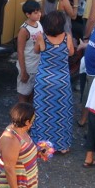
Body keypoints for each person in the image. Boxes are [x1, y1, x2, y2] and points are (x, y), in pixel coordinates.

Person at [31, 11, 75, 154]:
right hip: (62, 81)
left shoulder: (41, 37)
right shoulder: (67, 37)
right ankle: (62, 146)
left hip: (44, 81)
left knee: (42, 113)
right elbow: (71, 53)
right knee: (62, 113)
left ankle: (43, 146)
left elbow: (36, 51)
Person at [16, 0, 43, 104]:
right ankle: (22, 113)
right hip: (28, 66)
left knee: (33, 94)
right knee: (23, 95)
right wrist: (23, 72)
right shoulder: (24, 30)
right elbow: (20, 51)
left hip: (37, 66)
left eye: (39, 11)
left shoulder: (39, 24)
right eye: (35, 12)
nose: (39, 14)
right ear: (28, 14)